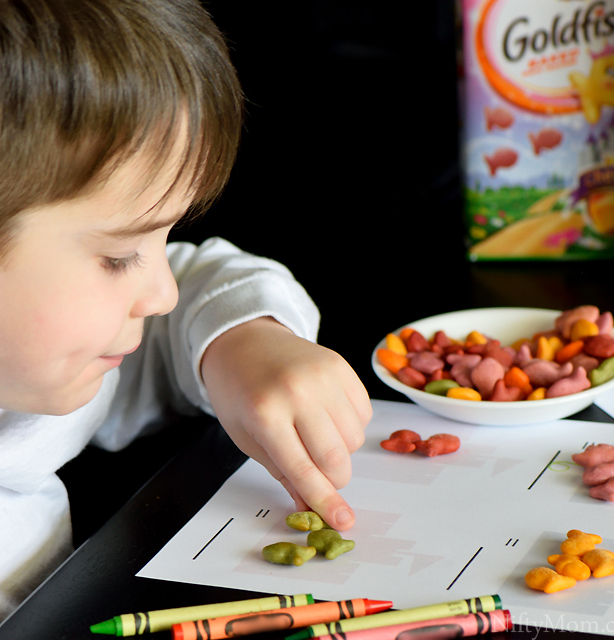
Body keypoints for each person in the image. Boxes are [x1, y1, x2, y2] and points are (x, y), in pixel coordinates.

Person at [0, 0, 372, 619]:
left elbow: (192, 296)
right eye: (120, 256)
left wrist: (244, 339)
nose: (163, 292)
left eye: (162, 240)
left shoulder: (34, 363)